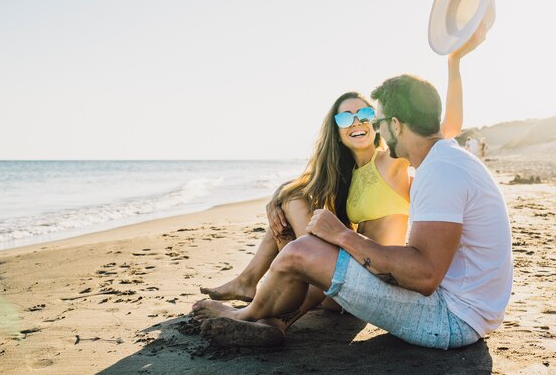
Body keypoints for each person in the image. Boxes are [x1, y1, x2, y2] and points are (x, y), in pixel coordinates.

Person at [192, 73, 513, 350]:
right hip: (465, 308)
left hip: (453, 318)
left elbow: (426, 275)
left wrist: (343, 236)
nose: (376, 129)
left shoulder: (437, 170)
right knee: (302, 247)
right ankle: (268, 320)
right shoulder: (444, 160)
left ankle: (244, 315)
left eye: (378, 121)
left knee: (299, 253)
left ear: (397, 125)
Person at [199, 25, 488, 312]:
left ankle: (253, 284)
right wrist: (275, 200)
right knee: (293, 198)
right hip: (341, 275)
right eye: (345, 118)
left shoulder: (392, 160)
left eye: (364, 114)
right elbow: (303, 185)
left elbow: (447, 128)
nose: (356, 122)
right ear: (335, 131)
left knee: (292, 199)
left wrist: (454, 63)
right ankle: (252, 283)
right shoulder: (345, 176)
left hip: (370, 280)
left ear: (378, 123)